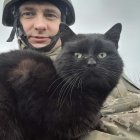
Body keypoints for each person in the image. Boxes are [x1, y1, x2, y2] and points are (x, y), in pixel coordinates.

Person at [2, 0, 140, 140]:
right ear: (16, 21)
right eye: (28, 14)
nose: (40, 25)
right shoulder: (11, 65)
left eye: (50, 15)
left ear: (62, 22)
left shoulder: (109, 76)